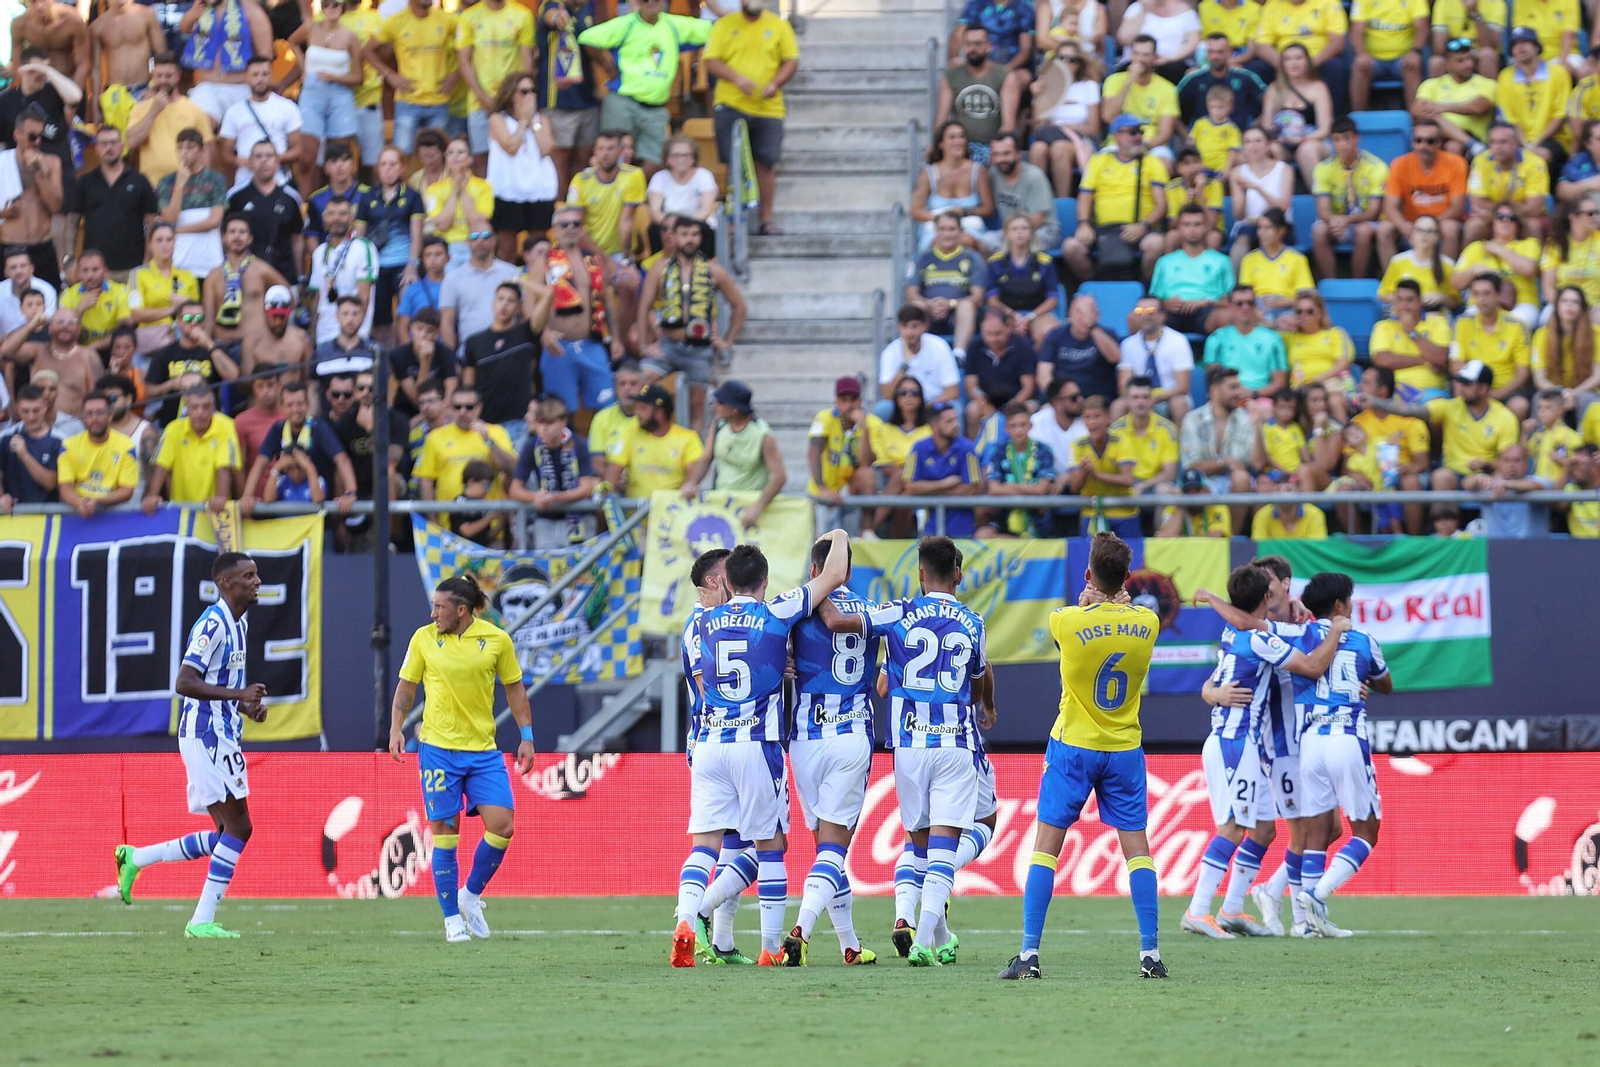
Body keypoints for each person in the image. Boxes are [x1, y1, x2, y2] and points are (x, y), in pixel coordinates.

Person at [673, 533, 850, 967]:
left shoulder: (701, 624)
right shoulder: (776, 612)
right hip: (755, 743)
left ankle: (686, 921)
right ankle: (770, 948)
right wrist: (840, 534)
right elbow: (834, 574)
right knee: (771, 846)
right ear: (765, 581)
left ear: (727, 583)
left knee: (706, 846)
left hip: (710, 742)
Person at [819, 535, 990, 968]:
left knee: (919, 846)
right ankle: (924, 940)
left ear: (919, 574)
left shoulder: (899, 611)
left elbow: (838, 622)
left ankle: (921, 928)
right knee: (945, 849)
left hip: (909, 748)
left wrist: (818, 586)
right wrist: (987, 704)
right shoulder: (972, 621)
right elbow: (980, 675)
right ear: (957, 573)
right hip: (954, 744)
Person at [999, 532, 1162, 980]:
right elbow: (1128, 619)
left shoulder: (1066, 620)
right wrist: (1119, 606)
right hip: (1124, 747)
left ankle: (1029, 955)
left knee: (1046, 850)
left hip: (1073, 746)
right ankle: (1150, 955)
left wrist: (1087, 604)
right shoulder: (1148, 622)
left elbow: (1073, 628)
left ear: (1089, 575)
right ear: (1127, 578)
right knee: (1138, 852)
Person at [1183, 564, 1348, 939]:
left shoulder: (1233, 629)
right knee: (1234, 826)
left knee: (1262, 828)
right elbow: (1311, 665)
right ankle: (1197, 910)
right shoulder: (1259, 637)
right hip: (1236, 740)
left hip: (1245, 743)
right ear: (1263, 598)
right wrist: (1336, 632)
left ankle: (1233, 909)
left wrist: (1211, 599)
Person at [111, 552, 267, 938]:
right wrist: (238, 692)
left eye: (256, 574)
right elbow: (184, 681)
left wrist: (245, 707)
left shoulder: (239, 623)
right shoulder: (212, 624)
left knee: (224, 833)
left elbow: (215, 683)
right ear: (226, 584)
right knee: (239, 827)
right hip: (206, 734)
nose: (256, 581)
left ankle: (136, 858)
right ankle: (201, 921)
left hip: (223, 731)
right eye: (248, 576)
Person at [389, 573, 534, 943]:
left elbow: (514, 689)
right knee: (446, 834)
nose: (433, 612)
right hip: (437, 749)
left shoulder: (496, 640)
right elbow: (407, 686)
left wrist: (526, 737)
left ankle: (469, 895)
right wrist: (395, 729)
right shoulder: (423, 638)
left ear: (461, 610)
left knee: (503, 826)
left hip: (483, 751)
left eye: (440, 607)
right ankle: (452, 919)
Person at [1282, 572, 1392, 936]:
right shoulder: (1363, 640)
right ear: (1341, 605)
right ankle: (1319, 893)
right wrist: (1364, 682)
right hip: (1346, 737)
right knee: (1367, 830)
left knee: (1315, 834)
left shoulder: (1299, 635)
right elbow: (1387, 685)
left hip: (1309, 742)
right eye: (1351, 600)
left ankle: (1308, 926)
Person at [637, 215, 745, 430]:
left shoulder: (714, 270)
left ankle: (692, 457)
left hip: (700, 348)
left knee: (698, 406)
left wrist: (727, 341)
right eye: (685, 234)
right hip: (668, 345)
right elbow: (643, 306)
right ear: (674, 236)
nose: (691, 239)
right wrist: (644, 344)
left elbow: (739, 306)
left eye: (695, 234)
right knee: (642, 384)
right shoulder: (659, 268)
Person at [702, 0, 798, 230]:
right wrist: (737, 78)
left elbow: (791, 61)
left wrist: (775, 83)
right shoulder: (725, 24)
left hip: (768, 107)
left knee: (766, 163)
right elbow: (711, 60)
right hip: (731, 104)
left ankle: (766, 219)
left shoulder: (778, 25)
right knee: (733, 162)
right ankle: (735, 223)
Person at [1062, 114, 1169, 282]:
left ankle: (1144, 286)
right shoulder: (1098, 161)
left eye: (1140, 131)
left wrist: (1143, 225)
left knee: (1156, 244)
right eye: (1132, 132)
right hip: (1103, 229)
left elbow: (1161, 205)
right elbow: (1085, 196)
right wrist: (1084, 224)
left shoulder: (1153, 162)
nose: (1138, 136)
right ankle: (1096, 282)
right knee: (1070, 247)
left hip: (1139, 229)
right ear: (1116, 136)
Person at [679, 380, 785, 529]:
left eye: (720, 403)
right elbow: (706, 458)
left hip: (748, 504)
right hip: (721, 501)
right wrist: (692, 482)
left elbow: (779, 476)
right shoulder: (719, 425)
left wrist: (757, 507)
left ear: (734, 409)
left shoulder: (762, 434)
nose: (714, 406)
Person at [240, 378, 354, 509]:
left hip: (319, 509)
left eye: (300, 404)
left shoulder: (319, 427)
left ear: (307, 405)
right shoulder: (278, 429)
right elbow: (260, 463)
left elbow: (342, 459)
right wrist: (247, 495)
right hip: (285, 514)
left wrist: (350, 492)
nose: (295, 409)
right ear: (281, 407)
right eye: (289, 405)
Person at [366, 0, 461, 156]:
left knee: (439, 157)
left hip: (439, 101)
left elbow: (470, 42)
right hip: (407, 102)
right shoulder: (396, 21)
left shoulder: (447, 19)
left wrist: (456, 74)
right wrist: (390, 75)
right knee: (402, 156)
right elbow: (368, 51)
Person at [290, 0, 364, 194]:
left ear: (342, 8)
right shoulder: (311, 27)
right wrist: (303, 68)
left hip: (339, 94)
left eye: (336, 5)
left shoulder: (350, 36)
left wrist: (335, 77)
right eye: (326, 5)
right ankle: (304, 204)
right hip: (313, 93)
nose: (331, 9)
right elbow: (292, 42)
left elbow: (359, 77)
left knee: (337, 157)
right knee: (307, 156)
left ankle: (335, 200)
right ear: (321, 8)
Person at [66, 126, 156, 281]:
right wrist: (70, 259)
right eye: (104, 144)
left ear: (122, 147)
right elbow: (71, 222)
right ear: (96, 149)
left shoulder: (140, 181)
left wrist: (147, 262)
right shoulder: (84, 182)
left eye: (113, 142)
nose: (109, 148)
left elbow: (152, 223)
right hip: (94, 271)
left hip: (132, 269)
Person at [485, 72, 556, 264]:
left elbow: (547, 148)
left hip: (538, 190)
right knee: (507, 249)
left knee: (538, 246)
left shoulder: (541, 120)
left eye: (533, 91)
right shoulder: (497, 119)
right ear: (511, 94)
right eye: (523, 92)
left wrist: (534, 122)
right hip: (508, 190)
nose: (529, 96)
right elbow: (511, 147)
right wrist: (523, 121)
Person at [459, 281, 541, 449]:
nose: (504, 304)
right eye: (500, 298)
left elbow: (548, 295)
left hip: (519, 422)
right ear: (492, 303)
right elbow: (468, 386)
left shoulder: (526, 333)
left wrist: (523, 281)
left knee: (516, 472)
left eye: (511, 301)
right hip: (485, 423)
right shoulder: (474, 342)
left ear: (518, 307)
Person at [454, 0, 533, 167]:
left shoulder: (522, 15)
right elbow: (463, 61)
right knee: (482, 157)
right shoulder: (468, 17)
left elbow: (527, 62)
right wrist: (482, 97)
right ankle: (485, 194)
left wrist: (521, 97)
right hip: (479, 102)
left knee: (515, 155)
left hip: (513, 102)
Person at [1379, 117, 1468, 262]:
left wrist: (1428, 226)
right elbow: (1390, 207)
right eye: (1418, 141)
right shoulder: (1399, 164)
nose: (1423, 146)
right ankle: (1392, 279)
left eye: (1430, 141)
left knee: (1450, 228)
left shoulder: (1456, 163)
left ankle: (1444, 280)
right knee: (1384, 230)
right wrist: (1404, 226)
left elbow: (1457, 207)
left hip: (1442, 220)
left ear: (1439, 143)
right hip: (1411, 222)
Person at [535, 0, 601, 194]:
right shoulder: (552, 4)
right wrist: (558, 17)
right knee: (559, 164)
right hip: (558, 101)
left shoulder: (589, 9)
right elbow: (551, 16)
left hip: (587, 100)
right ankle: (559, 214)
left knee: (583, 160)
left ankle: (575, 211)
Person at [906, 211, 988, 364]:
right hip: (929, 312)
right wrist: (929, 304)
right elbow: (911, 293)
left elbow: (979, 297)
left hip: (958, 314)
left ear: (960, 232)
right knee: (915, 306)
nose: (947, 234)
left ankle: (959, 355)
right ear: (936, 232)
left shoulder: (972, 257)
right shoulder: (921, 258)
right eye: (942, 229)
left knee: (967, 305)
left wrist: (950, 304)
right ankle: (914, 356)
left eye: (952, 229)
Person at [415, 384, 516, 506]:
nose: (463, 412)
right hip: (448, 519)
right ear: (450, 409)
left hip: (490, 519)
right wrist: (431, 517)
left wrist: (488, 440)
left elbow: (511, 468)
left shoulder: (496, 432)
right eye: (457, 407)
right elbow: (426, 480)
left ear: (479, 408)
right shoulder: (435, 437)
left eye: (469, 407)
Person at [143, 300, 241, 424]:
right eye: (188, 318)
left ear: (204, 323)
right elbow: (148, 392)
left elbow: (234, 376)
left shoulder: (215, 350)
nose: (193, 323)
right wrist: (173, 383)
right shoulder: (165, 353)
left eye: (199, 318)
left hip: (208, 422)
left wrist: (209, 344)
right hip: (172, 424)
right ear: (179, 322)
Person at [216, 55, 304, 191]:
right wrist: (243, 161)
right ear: (247, 78)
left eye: (265, 74)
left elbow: (298, 149)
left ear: (271, 76)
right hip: (244, 183)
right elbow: (225, 154)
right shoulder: (234, 111)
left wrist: (275, 159)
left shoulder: (288, 108)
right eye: (255, 75)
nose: (260, 79)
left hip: (279, 182)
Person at [126, 55, 216, 186]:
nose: (163, 80)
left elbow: (207, 150)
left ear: (178, 76)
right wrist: (154, 110)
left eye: (168, 76)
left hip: (188, 185)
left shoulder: (194, 109)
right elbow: (131, 142)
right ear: (153, 77)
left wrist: (203, 183)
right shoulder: (140, 108)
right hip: (152, 185)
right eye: (159, 76)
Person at [1027, 40, 1102, 197]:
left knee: (1059, 148)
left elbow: (1094, 128)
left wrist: (1064, 127)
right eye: (1061, 58)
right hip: (1048, 138)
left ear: (1079, 64)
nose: (1066, 63)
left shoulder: (1088, 86)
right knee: (1037, 149)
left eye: (1072, 60)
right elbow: (1036, 127)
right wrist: (1037, 98)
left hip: (1079, 140)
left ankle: (1062, 202)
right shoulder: (1044, 85)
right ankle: (1037, 202)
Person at [0, 109, 64, 290]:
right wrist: (2, 213)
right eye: (32, 136)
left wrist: (38, 172)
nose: (37, 141)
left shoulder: (51, 162)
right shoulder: (2, 162)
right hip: (9, 247)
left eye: (40, 136)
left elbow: (55, 206)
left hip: (41, 247)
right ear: (17, 134)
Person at [1453, 271, 1532, 417]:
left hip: (1506, 389)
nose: (1481, 299)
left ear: (1498, 295)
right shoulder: (1462, 323)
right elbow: (1456, 364)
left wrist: (1496, 394)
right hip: (1473, 386)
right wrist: (1475, 390)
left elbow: (1522, 373)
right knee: (1458, 392)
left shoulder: (1518, 326)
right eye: (1476, 294)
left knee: (1519, 405)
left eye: (1486, 293)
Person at [602, 382, 702, 496]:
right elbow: (611, 476)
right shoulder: (630, 435)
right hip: (635, 512)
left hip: (672, 511)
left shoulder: (688, 438)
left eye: (642, 409)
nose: (636, 413)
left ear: (659, 413)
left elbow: (693, 478)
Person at [226, 144, 304, 289]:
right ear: (250, 162)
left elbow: (297, 239)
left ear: (277, 162)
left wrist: (300, 276)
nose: (264, 160)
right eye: (258, 156)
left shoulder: (291, 197)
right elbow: (224, 236)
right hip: (244, 277)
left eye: (269, 156)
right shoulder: (236, 196)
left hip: (285, 275)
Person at [180, 0, 271, 123]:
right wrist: (192, 14)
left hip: (241, 87)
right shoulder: (200, 9)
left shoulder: (251, 10)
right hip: (207, 87)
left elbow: (265, 54)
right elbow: (184, 28)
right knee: (201, 124)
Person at [911, 120, 995, 254]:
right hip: (937, 228)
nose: (958, 141)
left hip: (969, 228)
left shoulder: (977, 170)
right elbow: (916, 210)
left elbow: (988, 208)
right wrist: (942, 220)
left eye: (961, 136)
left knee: (969, 241)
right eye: (952, 137)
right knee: (940, 242)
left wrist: (965, 212)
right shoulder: (928, 173)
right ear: (941, 144)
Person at [1497, 26, 1572, 174]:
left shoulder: (1558, 73)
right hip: (1518, 138)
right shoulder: (1505, 76)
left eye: (1525, 42)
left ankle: (1547, 196)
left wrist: (1536, 143)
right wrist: (1525, 144)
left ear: (1537, 47)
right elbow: (1509, 117)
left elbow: (1560, 115)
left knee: (1542, 156)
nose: (1520, 47)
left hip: (1553, 138)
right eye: (1515, 44)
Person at [156, 129, 229, 281]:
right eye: (180, 147)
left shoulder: (216, 179)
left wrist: (178, 230)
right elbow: (170, 219)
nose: (184, 152)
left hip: (210, 262)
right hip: (179, 262)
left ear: (201, 151)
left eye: (189, 147)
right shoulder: (166, 182)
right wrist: (180, 184)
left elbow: (214, 221)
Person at [1151, 203, 1234, 336]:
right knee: (1139, 317)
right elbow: (1155, 299)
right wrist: (1166, 304)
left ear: (1206, 227)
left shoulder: (1221, 261)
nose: (1192, 229)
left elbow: (1228, 301)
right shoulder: (1164, 262)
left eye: (1197, 224)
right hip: (1172, 312)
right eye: (1187, 224)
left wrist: (1205, 302)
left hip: (1207, 311)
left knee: (1230, 316)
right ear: (1179, 227)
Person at [903, 401, 984, 537]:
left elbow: (973, 488)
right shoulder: (918, 448)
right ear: (934, 426)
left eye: (956, 420)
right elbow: (909, 487)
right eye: (949, 421)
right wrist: (946, 483)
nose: (956, 425)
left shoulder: (967, 448)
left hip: (963, 529)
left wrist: (927, 491)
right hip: (930, 528)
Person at [978, 400, 1058, 538]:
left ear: (1031, 425)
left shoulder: (1044, 450)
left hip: (1038, 520)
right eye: (1013, 426)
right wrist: (1029, 489)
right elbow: (993, 489)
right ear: (1006, 428)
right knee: (982, 534)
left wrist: (1008, 487)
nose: (1019, 430)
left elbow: (1042, 489)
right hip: (1005, 517)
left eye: (1022, 425)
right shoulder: (997, 450)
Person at [1253, 0, 1350, 112]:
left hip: (1317, 60)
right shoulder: (1272, 5)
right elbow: (1262, 45)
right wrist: (1286, 64)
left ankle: (1334, 121)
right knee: (1256, 68)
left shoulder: (1329, 3)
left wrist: (1309, 64)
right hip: (1282, 61)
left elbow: (1337, 43)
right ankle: (1258, 120)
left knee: (1336, 68)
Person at [1259, 44, 1332, 192]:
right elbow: (1266, 127)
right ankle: (1275, 205)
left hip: (1313, 139)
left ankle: (1320, 200)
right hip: (1282, 141)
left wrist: (1302, 139)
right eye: (1288, 59)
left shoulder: (1318, 87)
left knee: (1306, 150)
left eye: (1298, 58)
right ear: (1282, 64)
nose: (1293, 63)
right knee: (1271, 149)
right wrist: (1277, 138)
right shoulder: (1274, 89)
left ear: (1307, 62)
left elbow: (1325, 129)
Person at [306, 198, 378, 345]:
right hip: (324, 334)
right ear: (324, 218)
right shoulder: (319, 252)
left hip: (354, 336)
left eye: (342, 213)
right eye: (331, 214)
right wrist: (312, 336)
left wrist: (354, 336)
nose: (336, 218)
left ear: (351, 218)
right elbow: (318, 298)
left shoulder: (363, 247)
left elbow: (364, 297)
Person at [438, 226, 520, 358]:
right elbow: (447, 322)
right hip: (470, 354)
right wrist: (450, 362)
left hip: (509, 351)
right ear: (468, 242)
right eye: (474, 236)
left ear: (494, 240)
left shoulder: (512, 273)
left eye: (486, 236)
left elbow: (522, 314)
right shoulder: (452, 278)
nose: (480, 240)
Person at [1065, 395, 1139, 538]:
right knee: (1092, 559)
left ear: (1108, 418)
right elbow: (1075, 487)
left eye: (1097, 416)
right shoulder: (1077, 445)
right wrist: (1085, 472)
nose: (1092, 422)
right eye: (1087, 417)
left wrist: (1096, 475)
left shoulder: (1122, 441)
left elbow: (1128, 480)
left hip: (1123, 512)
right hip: (1092, 513)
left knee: (1130, 558)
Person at [1101, 35, 1180, 166]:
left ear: (1155, 58)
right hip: (1118, 143)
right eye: (1136, 54)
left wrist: (1144, 147)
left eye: (1145, 55)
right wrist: (1130, 81)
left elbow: (1165, 132)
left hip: (1150, 144)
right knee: (1101, 165)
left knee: (1164, 163)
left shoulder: (1168, 89)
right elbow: (1108, 116)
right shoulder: (1114, 81)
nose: (1139, 59)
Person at [986, 214, 1062, 350]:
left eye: (1024, 228)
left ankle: (1041, 369)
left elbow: (1052, 299)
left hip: (1038, 314)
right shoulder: (995, 262)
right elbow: (992, 300)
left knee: (1048, 332)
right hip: (1006, 314)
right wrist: (1012, 315)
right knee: (997, 332)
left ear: (1032, 233)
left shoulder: (1045, 261)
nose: (1019, 232)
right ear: (1006, 234)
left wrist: (1030, 317)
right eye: (1014, 229)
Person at [1466, 123, 1550, 244]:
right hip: (1495, 216)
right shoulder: (1480, 161)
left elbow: (1533, 209)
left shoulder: (1536, 163)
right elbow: (1477, 202)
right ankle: (1466, 262)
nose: (1497, 147)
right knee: (1474, 226)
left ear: (1516, 143)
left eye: (1503, 142)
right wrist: (1503, 213)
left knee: (1533, 225)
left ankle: (1537, 263)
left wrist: (1499, 211)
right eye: (1493, 142)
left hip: (1524, 217)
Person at [1369, 278, 1451, 402]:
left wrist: (1412, 333)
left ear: (1420, 302)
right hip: (1394, 391)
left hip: (1430, 391)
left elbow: (1440, 358)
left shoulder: (1438, 323)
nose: (1404, 305)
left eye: (1410, 300)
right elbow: (1382, 360)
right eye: (1399, 300)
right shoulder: (1383, 326)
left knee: (1437, 407)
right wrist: (1423, 360)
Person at [1414, 35, 1498, 155]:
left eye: (1470, 59)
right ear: (1447, 64)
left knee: (1453, 146)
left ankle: (1471, 144)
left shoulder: (1487, 83)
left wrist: (1442, 107)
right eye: (1460, 61)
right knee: (1433, 119)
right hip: (1434, 137)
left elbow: (1479, 107)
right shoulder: (1431, 84)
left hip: (1473, 134)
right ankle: (1471, 144)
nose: (1468, 64)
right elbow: (1416, 110)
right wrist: (1437, 112)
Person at [938, 24, 1009, 165]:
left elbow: (1008, 125)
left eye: (978, 43)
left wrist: (998, 152)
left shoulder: (1004, 74)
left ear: (989, 45)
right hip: (960, 147)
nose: (973, 48)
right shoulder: (952, 75)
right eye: (968, 44)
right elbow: (941, 121)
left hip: (992, 147)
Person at [128, 222, 201, 356]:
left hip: (184, 337)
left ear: (175, 243)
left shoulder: (188, 275)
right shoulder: (137, 274)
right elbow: (136, 314)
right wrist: (173, 309)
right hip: (152, 340)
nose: (165, 244)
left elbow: (198, 315)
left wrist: (186, 303)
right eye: (159, 240)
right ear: (150, 245)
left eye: (169, 239)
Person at [1116, 296, 1193, 423]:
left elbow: (1183, 386)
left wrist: (1155, 398)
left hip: (1169, 397)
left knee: (1179, 404)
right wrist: (1141, 398)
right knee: (1118, 406)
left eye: (1151, 311)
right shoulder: (1128, 344)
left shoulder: (1178, 341)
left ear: (1162, 316)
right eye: (1139, 311)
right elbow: (1123, 386)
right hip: (1138, 397)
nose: (1145, 315)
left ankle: (1181, 443)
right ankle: (1118, 443)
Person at [1203, 285, 1287, 398]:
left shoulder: (1273, 339)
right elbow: (1213, 380)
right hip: (1227, 398)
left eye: (1250, 303)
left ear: (1255, 306)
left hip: (1260, 398)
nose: (1245, 307)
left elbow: (1279, 382)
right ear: (1230, 307)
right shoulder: (1216, 338)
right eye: (1239, 304)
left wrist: (1254, 393)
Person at [1284, 290, 1355, 419]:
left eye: (1310, 311)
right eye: (1299, 312)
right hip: (1300, 388)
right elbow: (1261, 327)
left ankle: (1345, 434)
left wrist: (1315, 381)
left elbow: (1342, 364)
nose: (1303, 315)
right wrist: (1278, 323)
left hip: (1330, 384)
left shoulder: (1335, 333)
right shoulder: (1289, 337)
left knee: (1334, 401)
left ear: (1320, 313)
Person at [877, 304, 960, 415]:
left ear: (924, 326)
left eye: (914, 326)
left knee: (956, 408)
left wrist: (925, 407)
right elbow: (887, 394)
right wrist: (904, 365)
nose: (909, 332)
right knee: (882, 409)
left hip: (933, 403)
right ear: (899, 327)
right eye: (905, 326)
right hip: (903, 404)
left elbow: (952, 391)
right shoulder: (890, 352)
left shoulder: (940, 346)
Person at [1037, 293, 1120, 401]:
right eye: (1079, 312)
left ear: (1097, 315)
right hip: (1063, 400)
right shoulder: (1055, 335)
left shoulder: (1108, 334)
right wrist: (1057, 398)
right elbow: (1043, 375)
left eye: (1089, 312)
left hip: (1097, 401)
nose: (1083, 317)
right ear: (1069, 315)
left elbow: (1115, 357)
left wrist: (1092, 327)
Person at [1348, 0, 1426, 112]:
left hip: (1402, 58)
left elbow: (1422, 26)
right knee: (1359, 65)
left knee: (1413, 64)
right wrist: (1361, 54)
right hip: (1373, 59)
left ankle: (1417, 120)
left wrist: (1415, 51)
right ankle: (1358, 118)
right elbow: (1357, 28)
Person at [1236, 208, 1311, 323]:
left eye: (1268, 228)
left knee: (1289, 322)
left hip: (1287, 309)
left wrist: (1281, 303)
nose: (1262, 233)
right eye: (1260, 228)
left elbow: (1306, 296)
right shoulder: (1249, 259)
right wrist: (1255, 311)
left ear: (1281, 231)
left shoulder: (1297, 259)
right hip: (1257, 309)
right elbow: (1244, 294)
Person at [988, 133, 1060, 251]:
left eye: (1006, 153)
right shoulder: (993, 174)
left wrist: (1011, 237)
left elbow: (1037, 219)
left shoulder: (1034, 176)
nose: (1001, 159)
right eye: (996, 154)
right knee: (983, 242)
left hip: (1041, 231)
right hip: (1010, 231)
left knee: (1014, 245)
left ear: (1018, 154)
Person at [1177, 33, 1267, 128]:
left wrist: (1252, 129)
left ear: (1229, 52)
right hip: (1202, 138)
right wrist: (1186, 136)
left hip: (1239, 138)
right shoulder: (1193, 79)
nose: (1215, 57)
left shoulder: (1245, 77)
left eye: (1220, 52)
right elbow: (1171, 106)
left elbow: (1269, 100)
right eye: (1211, 52)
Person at [1531, 285, 1600, 408]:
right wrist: (1561, 393)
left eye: (1575, 302)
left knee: (1588, 400)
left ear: (1582, 308)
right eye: (1564, 301)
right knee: (1541, 399)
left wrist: (1573, 393)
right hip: (1554, 390)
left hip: (1585, 390)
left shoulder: (1596, 333)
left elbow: (1597, 376)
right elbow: (1539, 378)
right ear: (1557, 306)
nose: (1569, 305)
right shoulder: (1542, 334)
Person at [1378, 214, 1459, 313]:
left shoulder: (1447, 264)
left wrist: (1441, 298)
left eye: (1429, 231)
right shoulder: (1398, 261)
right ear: (1412, 234)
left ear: (1438, 237)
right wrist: (1408, 299)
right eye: (1419, 230)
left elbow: (1456, 301)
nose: (1424, 235)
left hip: (1435, 319)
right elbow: (1383, 294)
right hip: (1402, 317)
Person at [304, 142, 369, 259]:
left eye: (344, 160)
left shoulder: (368, 195)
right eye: (334, 161)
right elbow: (312, 236)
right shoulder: (315, 199)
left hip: (360, 258)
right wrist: (321, 262)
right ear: (325, 168)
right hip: (328, 257)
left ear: (353, 165)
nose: (340, 165)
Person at [0, 382, 60, 509]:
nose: (31, 417)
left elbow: (50, 482)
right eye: (25, 411)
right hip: (12, 514)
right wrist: (1, 497)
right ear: (17, 409)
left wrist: (24, 455)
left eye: (36, 411)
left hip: (48, 515)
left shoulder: (59, 439)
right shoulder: (6, 437)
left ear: (45, 406)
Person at [1540, 197, 1600, 311]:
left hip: (1595, 307)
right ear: (1573, 217)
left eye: (1597, 213)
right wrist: (1563, 308)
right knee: (1546, 319)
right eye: (1590, 213)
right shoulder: (1554, 244)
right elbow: (1548, 288)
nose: (1595, 217)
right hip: (1562, 307)